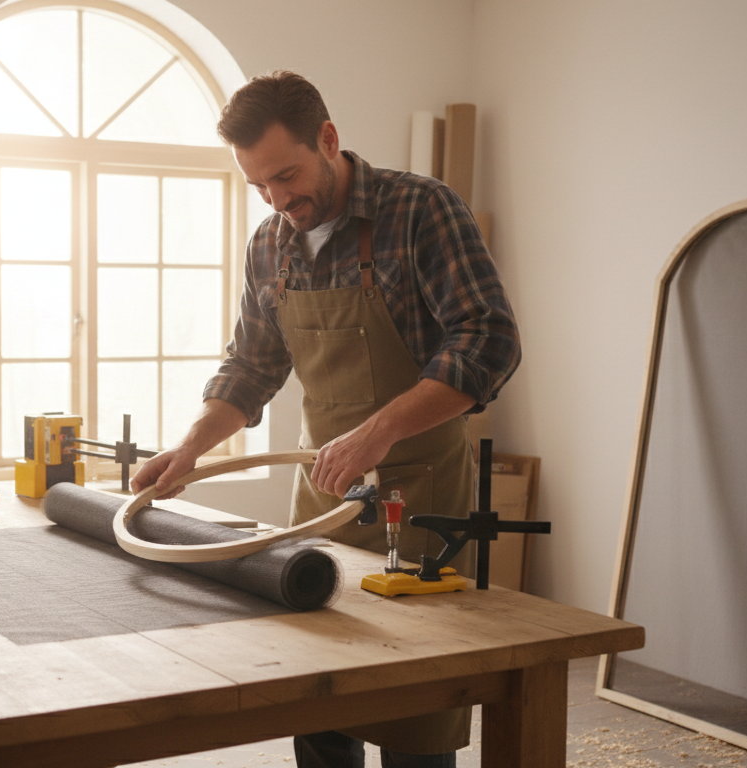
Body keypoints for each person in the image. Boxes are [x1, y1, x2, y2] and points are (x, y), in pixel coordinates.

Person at [131, 71, 521, 768]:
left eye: (286, 176)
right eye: (260, 186)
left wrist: (377, 432)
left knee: (413, 705)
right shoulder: (270, 244)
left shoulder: (420, 210)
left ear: (329, 139)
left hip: (418, 496)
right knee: (318, 699)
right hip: (321, 493)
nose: (279, 201)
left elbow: (489, 341)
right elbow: (251, 367)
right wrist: (191, 448)